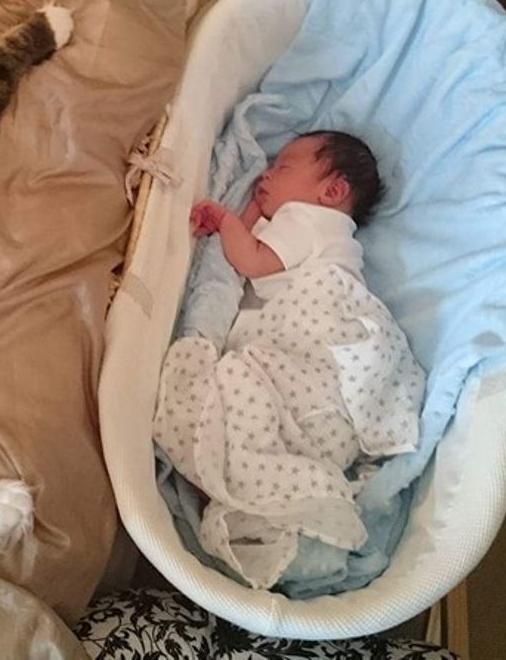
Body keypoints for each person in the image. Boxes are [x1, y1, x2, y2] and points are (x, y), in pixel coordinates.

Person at [153, 130, 424, 590]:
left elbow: (251, 261)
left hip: (321, 350)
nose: (265, 174)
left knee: (240, 383)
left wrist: (225, 218)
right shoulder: (316, 227)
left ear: (332, 192)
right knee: (260, 399)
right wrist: (257, 207)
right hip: (326, 381)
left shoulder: (309, 219)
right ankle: (252, 479)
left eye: (281, 168)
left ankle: (233, 473)